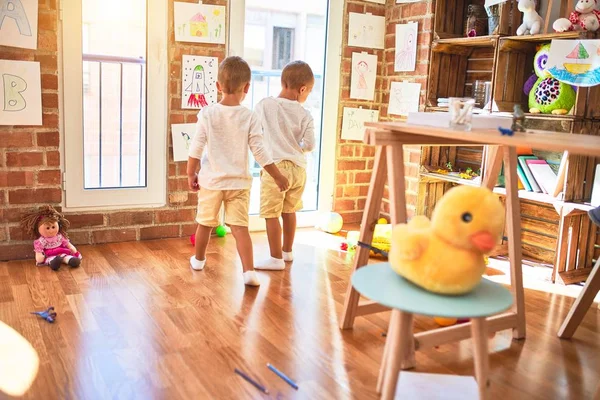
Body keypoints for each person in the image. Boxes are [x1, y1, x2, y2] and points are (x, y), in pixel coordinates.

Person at [187, 56, 289, 286]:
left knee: (205, 223)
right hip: (240, 184)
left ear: (218, 86)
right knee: (240, 228)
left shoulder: (207, 113)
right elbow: (260, 151)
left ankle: (199, 259)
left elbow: (195, 148)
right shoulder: (249, 116)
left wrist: (191, 174)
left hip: (212, 182)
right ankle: (248, 271)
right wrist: (278, 175)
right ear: (247, 87)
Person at [254, 60, 316, 270]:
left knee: (271, 214)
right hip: (298, 169)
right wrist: (295, 146)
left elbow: (256, 132)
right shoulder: (305, 114)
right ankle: (287, 252)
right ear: (302, 89)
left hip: (275, 169)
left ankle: (275, 258)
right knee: (289, 211)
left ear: (282, 82)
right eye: (308, 93)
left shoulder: (265, 105)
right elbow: (309, 145)